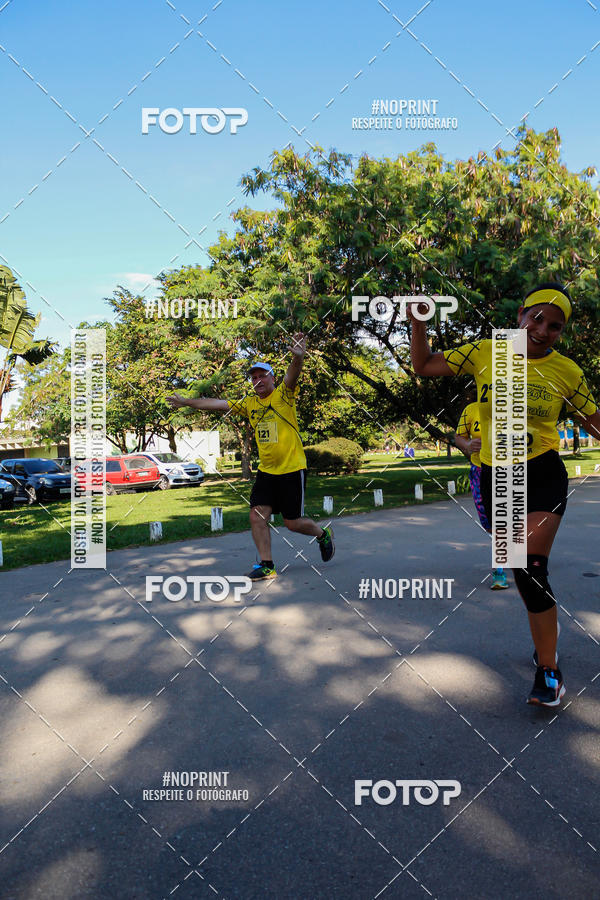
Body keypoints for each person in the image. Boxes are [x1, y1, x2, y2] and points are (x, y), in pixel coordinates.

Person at [409, 282, 600, 707]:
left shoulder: (568, 371)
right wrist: (419, 324)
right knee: (519, 568)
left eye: (555, 325)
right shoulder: (485, 351)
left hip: (544, 472)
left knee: (531, 565)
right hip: (499, 476)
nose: (543, 329)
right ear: (520, 315)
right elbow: (423, 366)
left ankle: (549, 672)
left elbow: (593, 421)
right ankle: (546, 633)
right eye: (537, 317)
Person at [167, 333, 334, 580]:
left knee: (292, 523)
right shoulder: (249, 404)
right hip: (267, 471)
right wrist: (187, 403)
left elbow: (293, 374)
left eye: (262, 376)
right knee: (256, 515)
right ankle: (267, 565)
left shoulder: (284, 396)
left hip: (291, 468)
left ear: (272, 379)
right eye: (253, 377)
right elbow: (216, 403)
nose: (257, 380)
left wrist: (297, 357)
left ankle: (322, 534)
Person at [453, 401, 509, 590]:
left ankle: (499, 572)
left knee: (502, 523)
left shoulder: (514, 405)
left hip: (509, 470)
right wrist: (468, 444)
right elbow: (458, 437)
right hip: (480, 471)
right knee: (490, 524)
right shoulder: (471, 409)